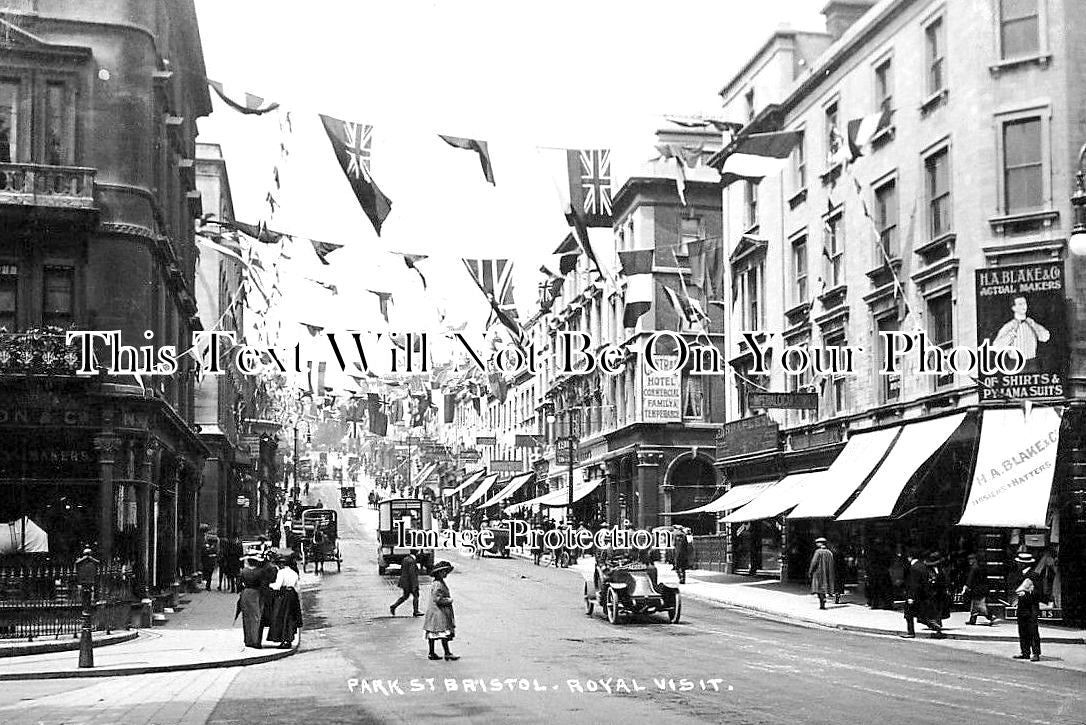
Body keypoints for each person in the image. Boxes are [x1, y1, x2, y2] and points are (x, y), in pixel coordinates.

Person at [992, 296, 1050, 373]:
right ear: (1014, 308)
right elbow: (996, 347)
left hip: (1033, 364)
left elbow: (1045, 337)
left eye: (1024, 303)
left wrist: (1034, 325)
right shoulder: (1009, 326)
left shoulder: (1032, 323)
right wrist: (1011, 334)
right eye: (1020, 304)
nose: (1024, 306)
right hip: (1015, 365)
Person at [902, 552, 945, 638]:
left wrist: (911, 596)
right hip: (923, 595)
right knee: (921, 615)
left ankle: (911, 632)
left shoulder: (914, 568)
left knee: (908, 614)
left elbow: (913, 584)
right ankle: (935, 626)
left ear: (910, 558)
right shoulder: (923, 566)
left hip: (915, 595)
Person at [1010, 551, 1043, 661]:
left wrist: (1027, 593)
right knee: (1022, 629)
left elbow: (1039, 593)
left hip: (1031, 607)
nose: (1018, 564)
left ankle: (1036, 653)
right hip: (1021, 607)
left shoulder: (1034, 576)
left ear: (1024, 564)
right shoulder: (1018, 575)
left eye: (1019, 563)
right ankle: (1025, 652)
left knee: (1033, 630)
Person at [423, 560, 458, 661]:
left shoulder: (438, 582)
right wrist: (448, 600)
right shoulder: (438, 584)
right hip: (438, 612)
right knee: (443, 633)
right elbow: (437, 599)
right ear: (439, 573)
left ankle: (432, 652)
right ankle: (447, 653)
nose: (445, 573)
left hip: (435, 612)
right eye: (444, 572)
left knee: (434, 634)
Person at [267, 553, 302, 649]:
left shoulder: (281, 573)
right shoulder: (294, 573)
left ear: (282, 565)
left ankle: (284, 639)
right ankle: (289, 638)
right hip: (293, 596)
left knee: (281, 617)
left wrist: (270, 585)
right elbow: (298, 588)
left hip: (284, 595)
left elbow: (277, 586)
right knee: (291, 617)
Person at [235, 555, 271, 648]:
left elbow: (238, 585)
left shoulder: (244, 571)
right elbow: (264, 585)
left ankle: (248, 640)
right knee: (256, 618)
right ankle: (255, 641)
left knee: (246, 617)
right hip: (256, 594)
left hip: (245, 593)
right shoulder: (260, 571)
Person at [962, 553, 997, 626]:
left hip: (977, 590)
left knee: (980, 605)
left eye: (971, 559)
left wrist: (966, 586)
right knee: (974, 605)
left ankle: (990, 616)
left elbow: (970, 578)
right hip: (982, 589)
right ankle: (972, 620)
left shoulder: (974, 568)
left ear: (974, 560)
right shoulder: (980, 567)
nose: (969, 561)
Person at [390, 549, 422, 616]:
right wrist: (414, 585)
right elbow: (412, 574)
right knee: (416, 595)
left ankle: (394, 606)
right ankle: (416, 611)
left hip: (404, 581)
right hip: (409, 582)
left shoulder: (405, 559)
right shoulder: (412, 561)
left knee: (405, 596)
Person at [808, 537, 836, 610]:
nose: (816, 544)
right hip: (827, 573)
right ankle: (823, 600)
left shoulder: (818, 552)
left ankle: (822, 602)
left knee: (819, 588)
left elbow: (814, 562)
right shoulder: (829, 552)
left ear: (820, 543)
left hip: (818, 572)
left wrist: (810, 571)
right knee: (824, 587)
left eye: (817, 543)